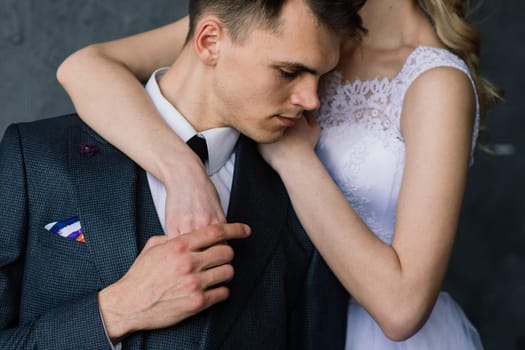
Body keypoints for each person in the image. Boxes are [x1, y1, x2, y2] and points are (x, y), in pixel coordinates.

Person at [57, 1, 503, 349]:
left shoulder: (436, 81)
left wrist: (293, 158)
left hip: (365, 337)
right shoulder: (282, 20)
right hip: (269, 317)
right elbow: (84, 68)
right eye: (290, 73)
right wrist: (182, 170)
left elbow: (402, 308)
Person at [0, 0, 366, 349]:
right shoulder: (35, 156)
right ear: (210, 42)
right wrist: (114, 312)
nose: (311, 99)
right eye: (289, 71)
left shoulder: (305, 202)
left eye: (320, 76)